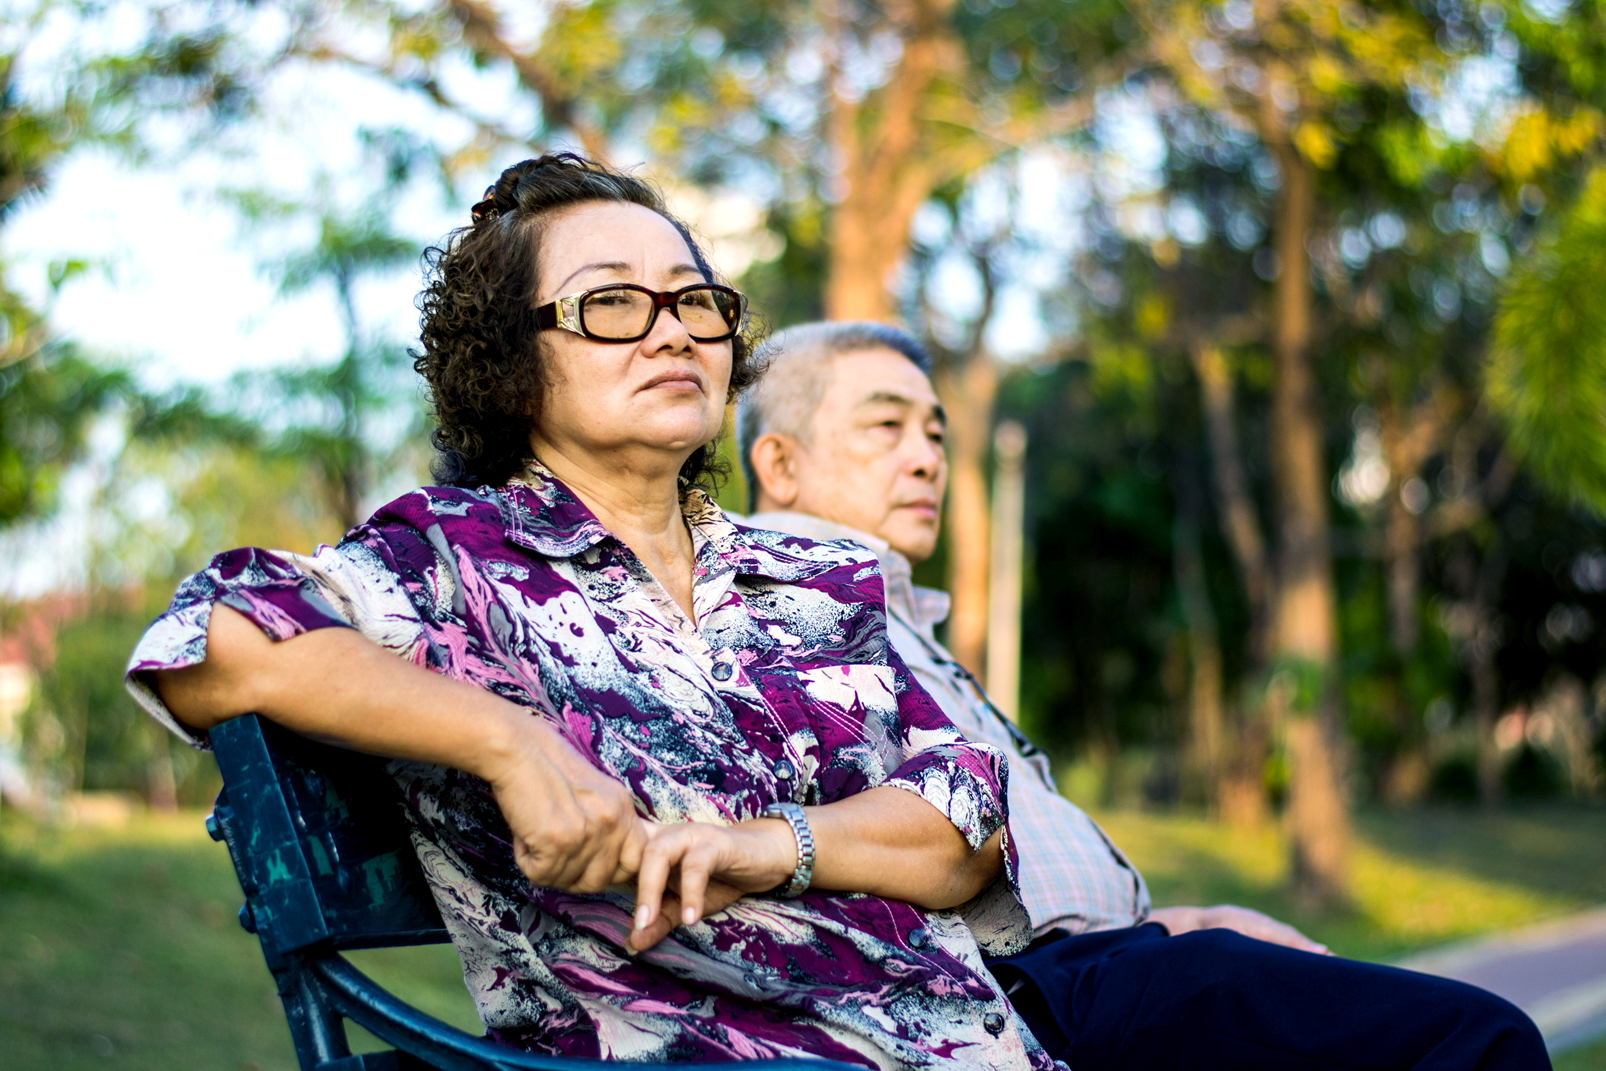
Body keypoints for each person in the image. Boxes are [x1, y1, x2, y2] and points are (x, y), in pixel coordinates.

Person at [125, 156, 1060, 1071]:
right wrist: (509, 741)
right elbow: (212, 631)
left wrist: (773, 845)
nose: (675, 334)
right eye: (611, 303)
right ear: (512, 363)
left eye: (696, 301)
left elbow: (964, 824)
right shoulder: (454, 558)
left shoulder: (818, 574)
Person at [736, 321, 1550, 1071]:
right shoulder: (788, 607)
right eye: (887, 426)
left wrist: (1181, 923)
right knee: (1478, 1042)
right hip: (1022, 994)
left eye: (936, 431)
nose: (927, 457)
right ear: (779, 463)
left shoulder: (901, 619)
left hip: (1113, 967)